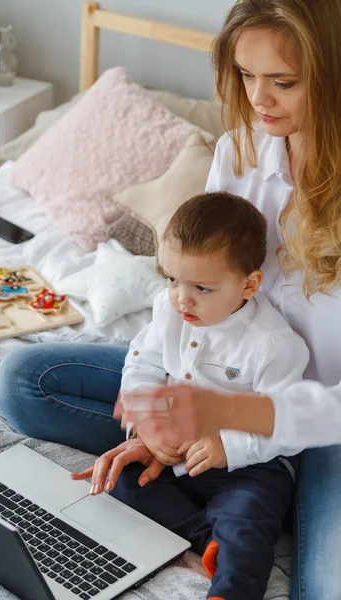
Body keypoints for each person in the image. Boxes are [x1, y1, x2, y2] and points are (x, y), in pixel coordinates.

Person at [0, 0, 341, 597]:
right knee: (23, 379)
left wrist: (243, 439)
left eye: (283, 82)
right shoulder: (239, 153)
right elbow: (188, 286)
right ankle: (227, 513)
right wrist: (153, 425)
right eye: (245, 76)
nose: (259, 99)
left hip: (320, 419)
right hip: (214, 381)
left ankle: (266, 493)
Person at [78, 191, 309, 600]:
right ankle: (206, 540)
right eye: (172, 279)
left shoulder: (273, 344)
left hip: (250, 465)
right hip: (178, 453)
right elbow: (142, 366)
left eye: (201, 287)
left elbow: (286, 423)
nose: (182, 298)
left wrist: (228, 447)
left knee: (247, 517)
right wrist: (147, 428)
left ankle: (230, 586)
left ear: (249, 285)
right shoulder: (169, 310)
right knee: (123, 480)